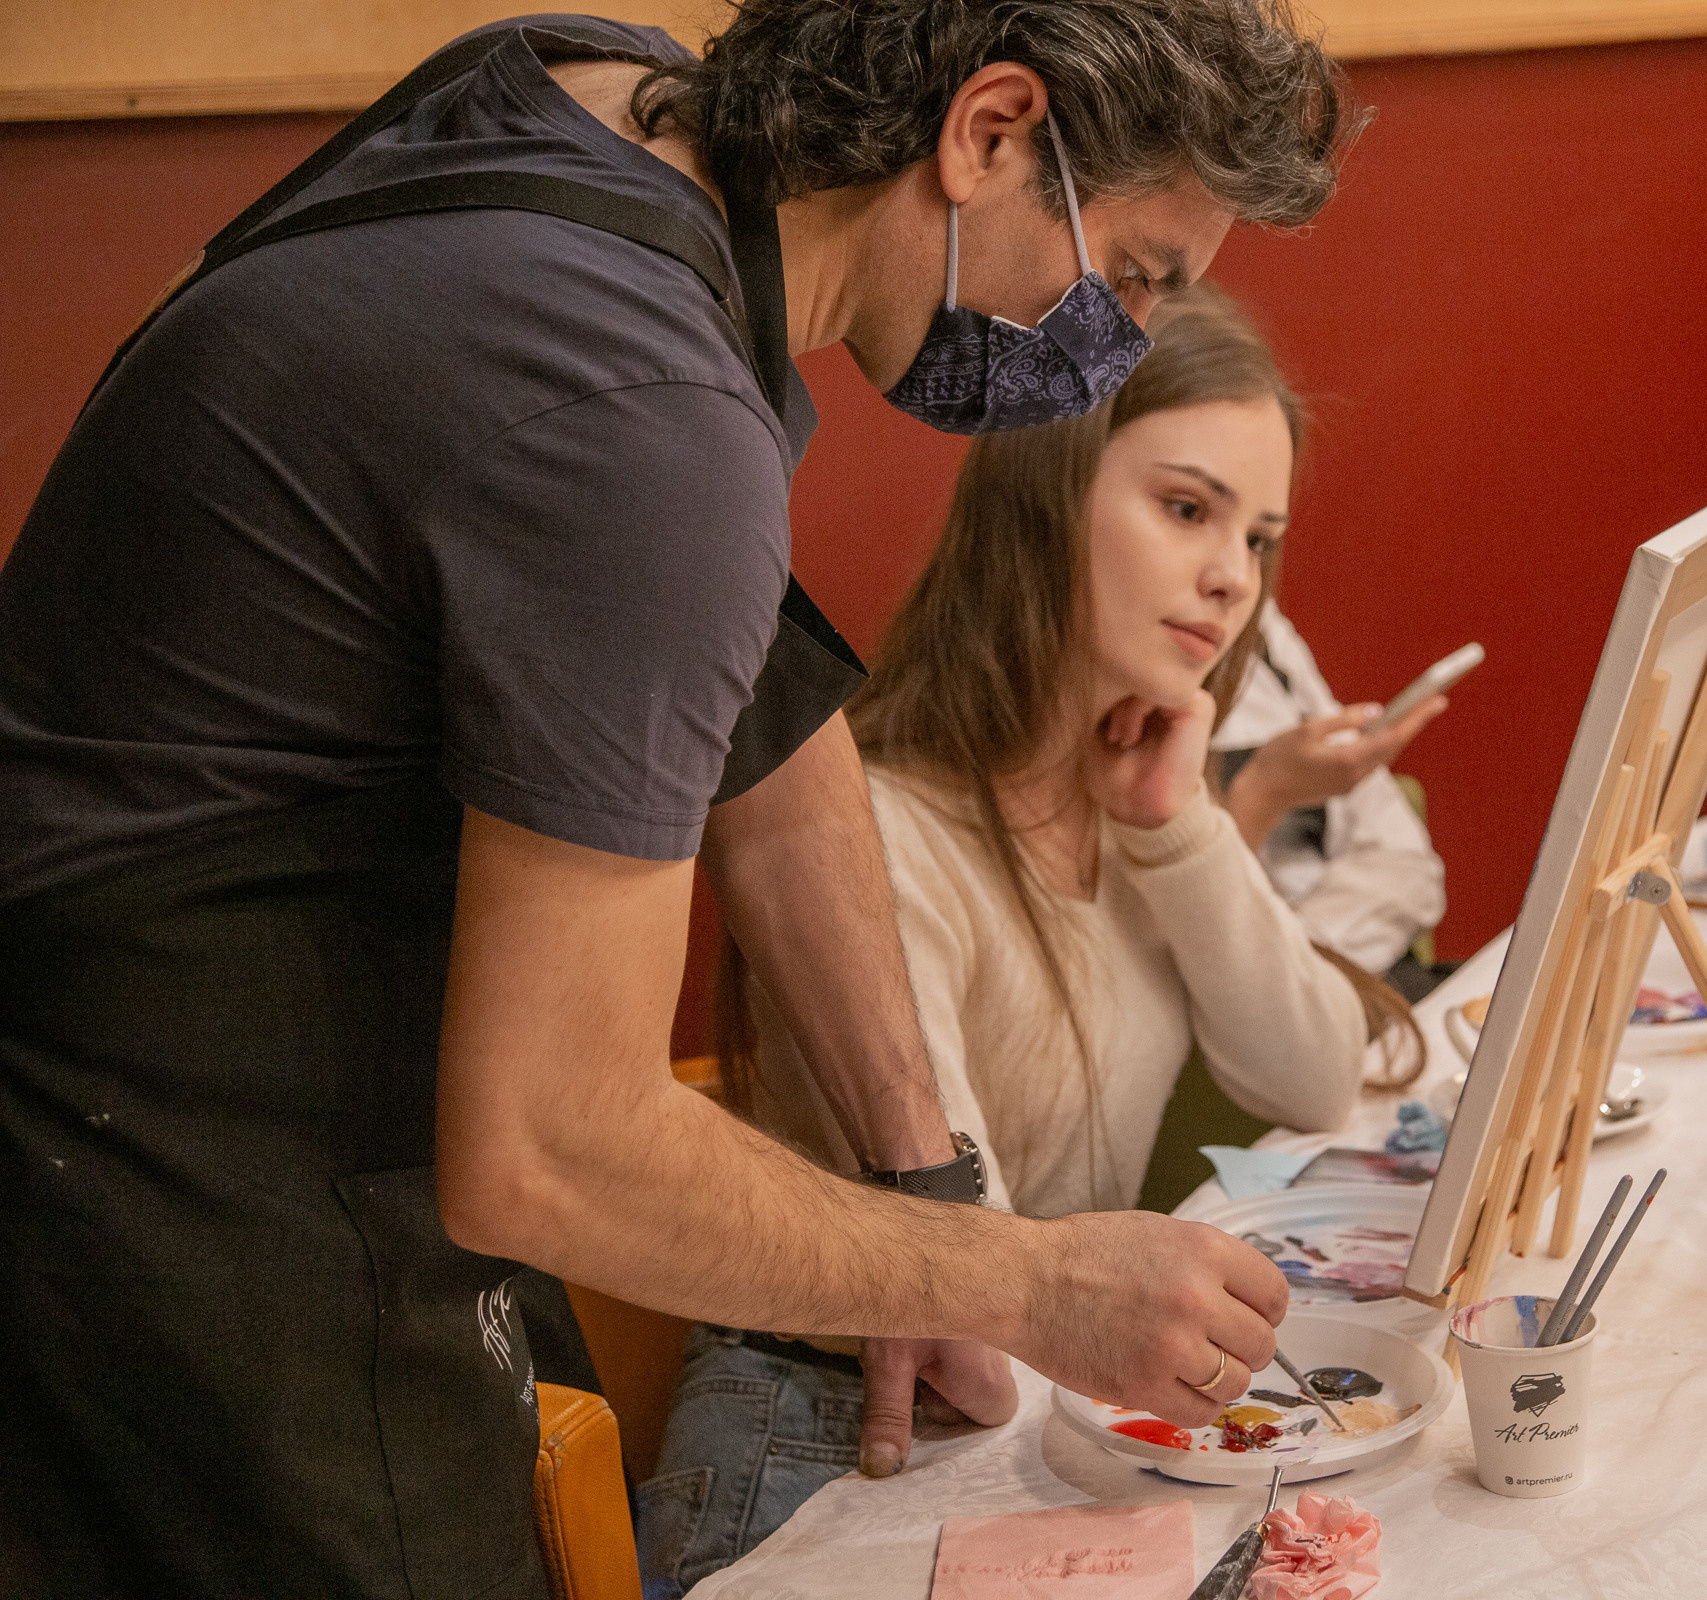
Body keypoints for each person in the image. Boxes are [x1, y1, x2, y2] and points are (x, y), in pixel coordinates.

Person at [0, 6, 1359, 1594]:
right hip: (162, 1183)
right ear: (988, 130)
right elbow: (549, 1147)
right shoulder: (641, 408)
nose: (1110, 340)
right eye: (1131, 273)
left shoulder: (600, 101)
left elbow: (766, 742)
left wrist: (919, 1182)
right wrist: (1031, 1282)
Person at [643, 286, 1413, 1588]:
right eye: (1186, 508)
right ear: (1048, 498)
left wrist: (1179, 828)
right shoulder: (880, 832)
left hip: (1027, 1400)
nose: (1233, 574)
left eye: (1259, 536)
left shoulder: (1130, 801)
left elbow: (1317, 1074)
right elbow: (975, 1291)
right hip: (831, 1437)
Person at [1214, 601, 1453, 995]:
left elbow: (1413, 869)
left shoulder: (1264, 632)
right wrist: (1262, 794)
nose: (1234, 574)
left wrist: (1299, 957)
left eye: (1257, 543)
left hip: (1357, 980)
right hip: (1276, 1023)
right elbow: (1205, 968)